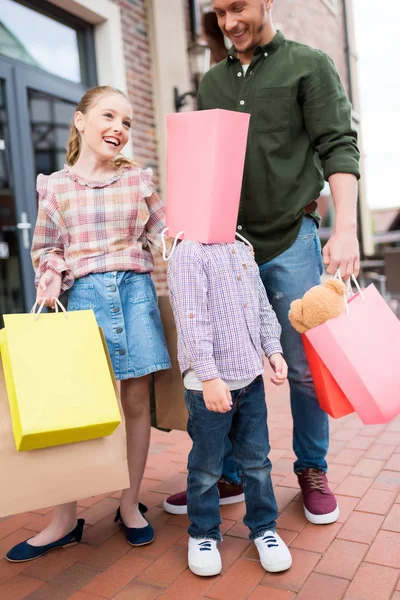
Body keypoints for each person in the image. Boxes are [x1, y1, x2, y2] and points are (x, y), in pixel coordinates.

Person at [164, 0, 360, 525]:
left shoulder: (308, 64)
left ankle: (311, 469)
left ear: (267, 1)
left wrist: (346, 230)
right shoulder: (211, 84)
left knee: (300, 368)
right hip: (225, 248)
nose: (230, 23)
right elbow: (203, 167)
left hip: (291, 238)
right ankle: (226, 472)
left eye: (239, 8)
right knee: (226, 366)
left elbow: (338, 144)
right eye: (220, 12)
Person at [6, 86, 171, 562]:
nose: (119, 127)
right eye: (108, 115)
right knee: (71, 410)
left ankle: (128, 503)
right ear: (80, 121)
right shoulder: (55, 186)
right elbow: (46, 248)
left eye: (127, 121)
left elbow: (168, 234)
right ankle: (63, 519)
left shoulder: (138, 180)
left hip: (134, 296)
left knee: (136, 401)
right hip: (81, 300)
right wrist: (51, 275)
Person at [167, 237, 292, 576]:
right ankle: (204, 533)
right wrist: (208, 376)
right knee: (207, 466)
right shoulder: (188, 251)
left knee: (256, 462)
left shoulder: (240, 247)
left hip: (250, 379)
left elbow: (261, 304)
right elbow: (191, 318)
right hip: (209, 383)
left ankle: (264, 528)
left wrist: (273, 350)